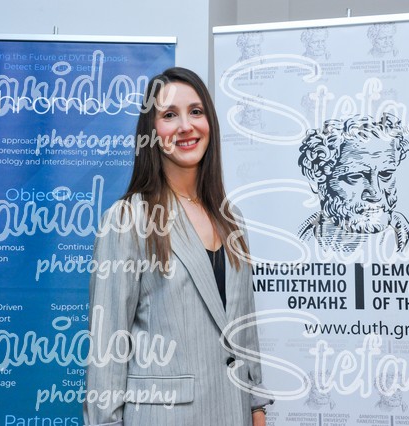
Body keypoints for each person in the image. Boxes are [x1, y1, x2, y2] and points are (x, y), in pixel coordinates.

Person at [84, 67, 272, 426]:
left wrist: (257, 408)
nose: (186, 126)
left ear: (210, 123)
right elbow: (107, 351)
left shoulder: (232, 218)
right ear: (151, 131)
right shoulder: (128, 218)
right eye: (169, 115)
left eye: (196, 112)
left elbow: (244, 333)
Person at [297, 114, 409, 253]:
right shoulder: (294, 241)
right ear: (316, 180)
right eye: (355, 176)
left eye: (386, 175)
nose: (375, 193)